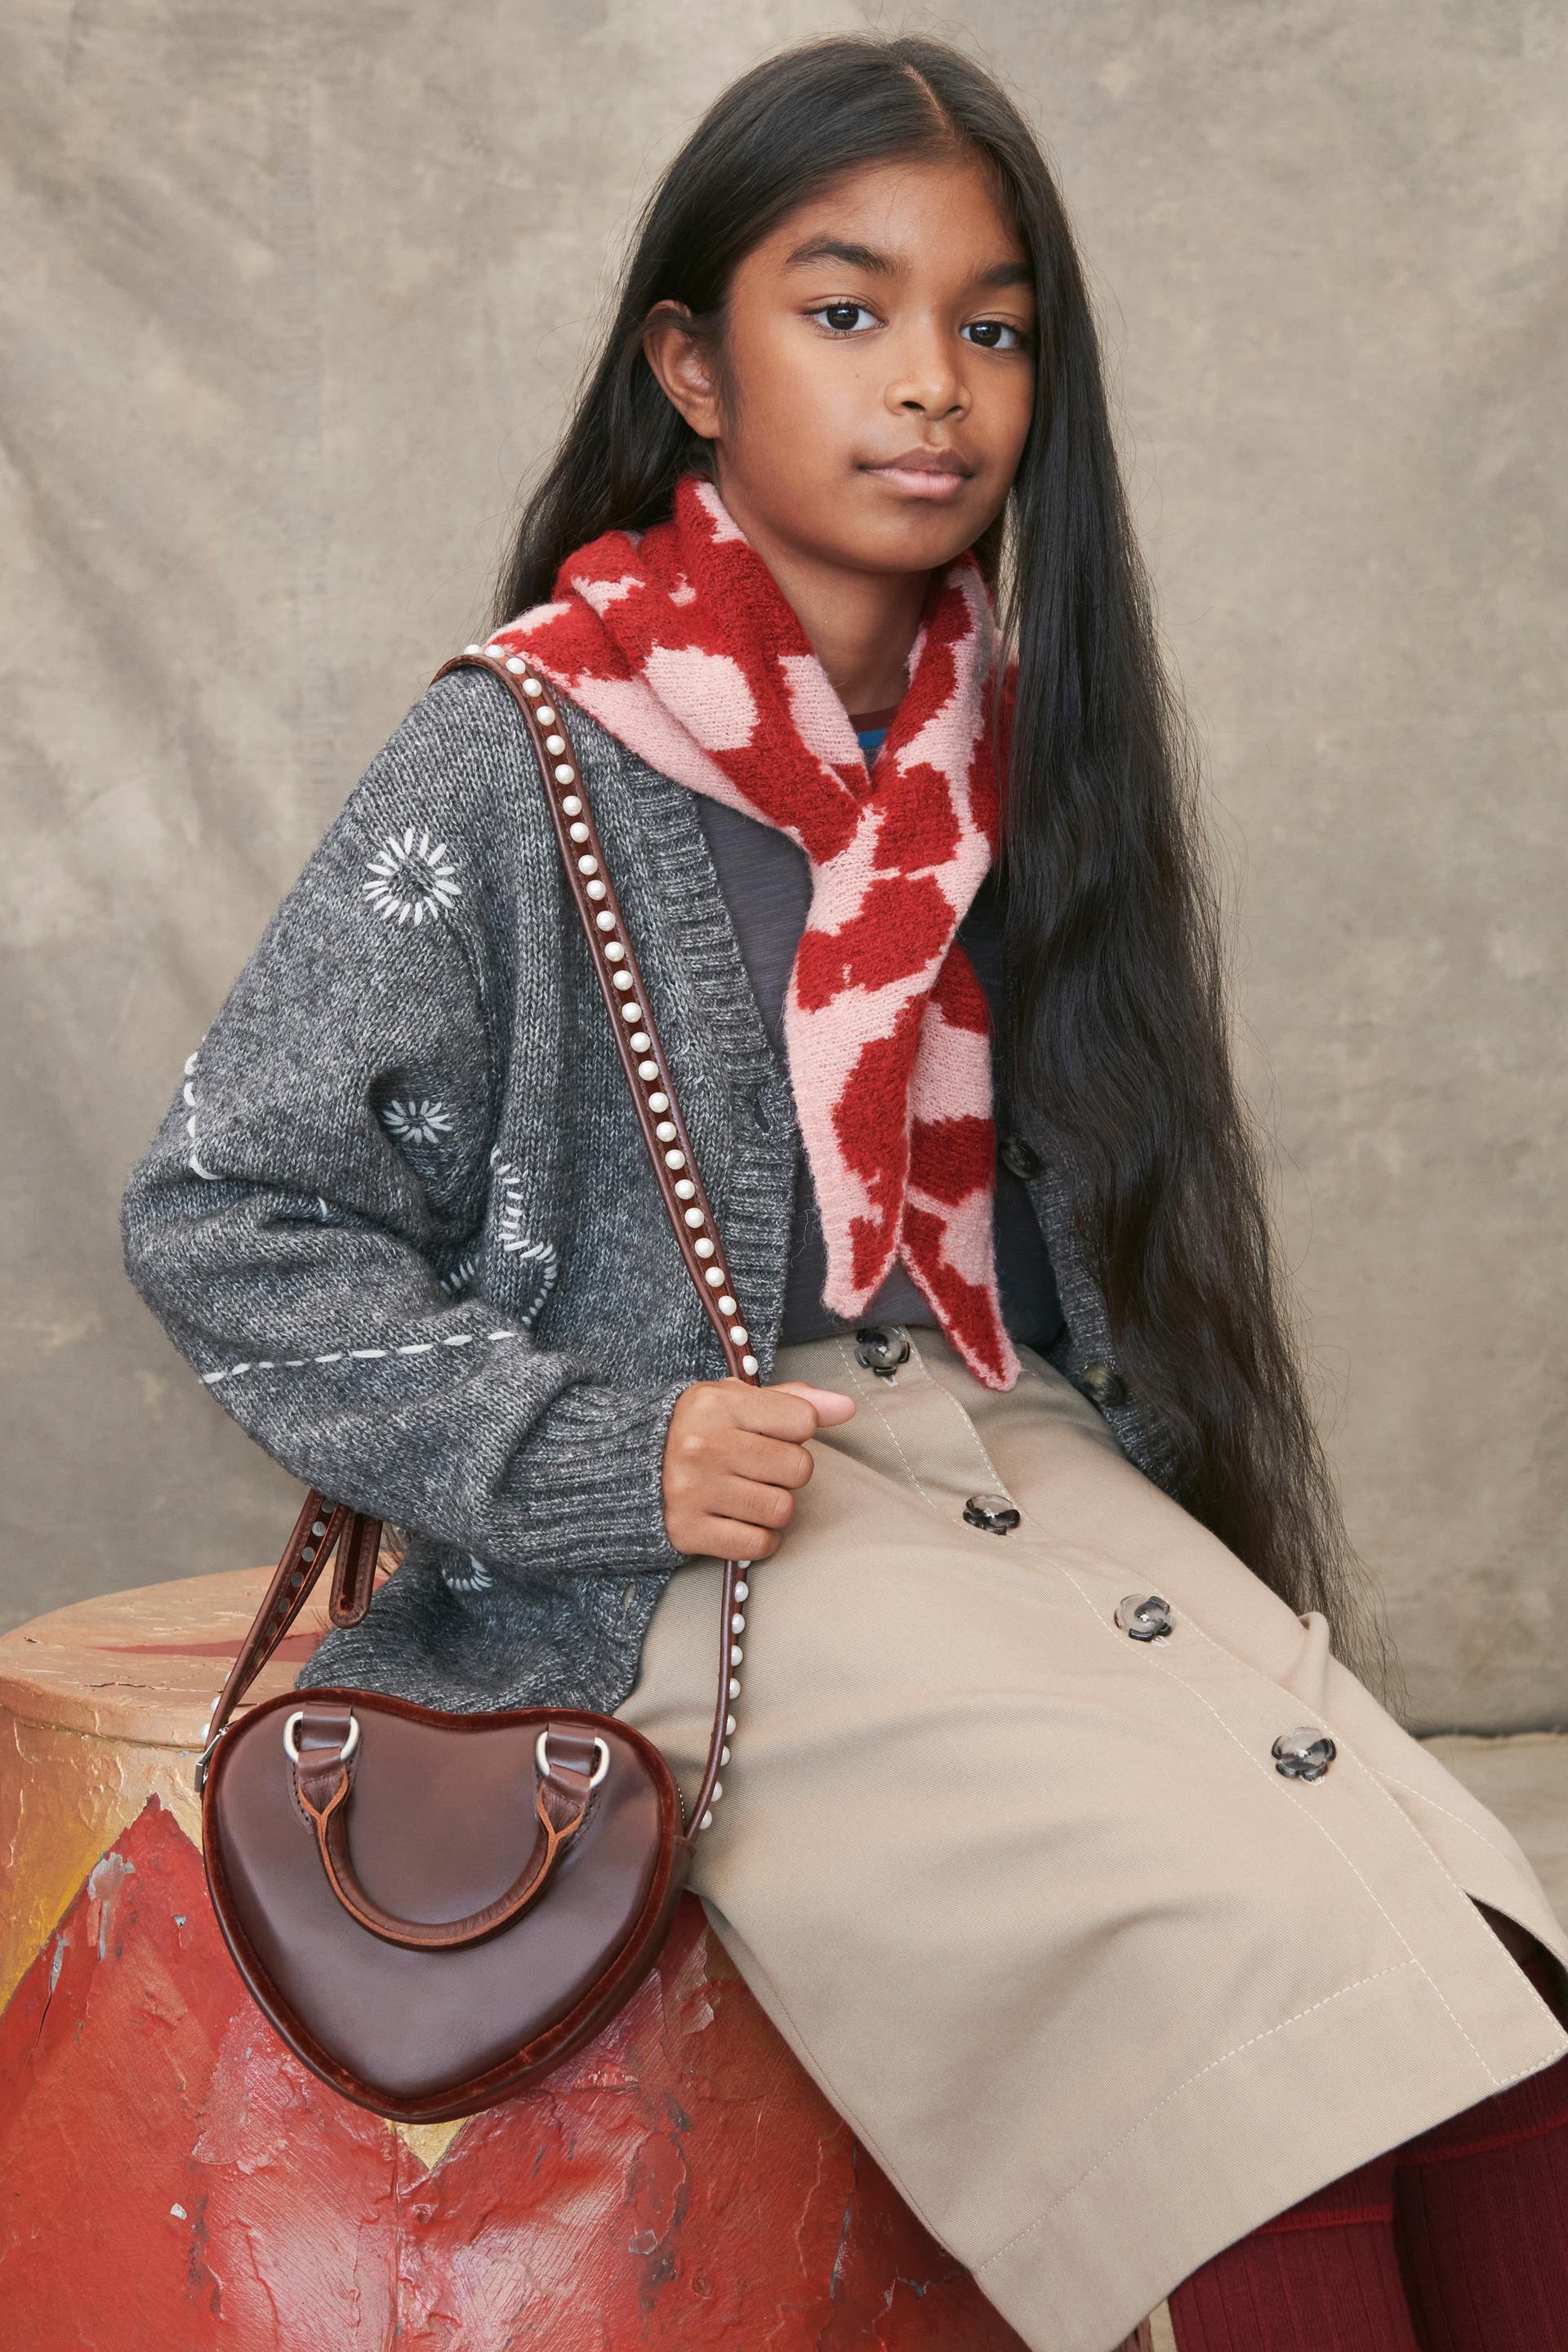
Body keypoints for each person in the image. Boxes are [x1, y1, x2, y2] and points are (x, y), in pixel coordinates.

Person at [120, 34, 1568, 2352]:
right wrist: (595, 1451)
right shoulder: (523, 743)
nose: (932, 386)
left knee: (1485, 1974)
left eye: (993, 325)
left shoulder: (1022, 736)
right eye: (844, 309)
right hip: (698, 1522)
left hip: (1008, 1454)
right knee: (1252, 2019)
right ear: (689, 367)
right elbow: (227, 1201)